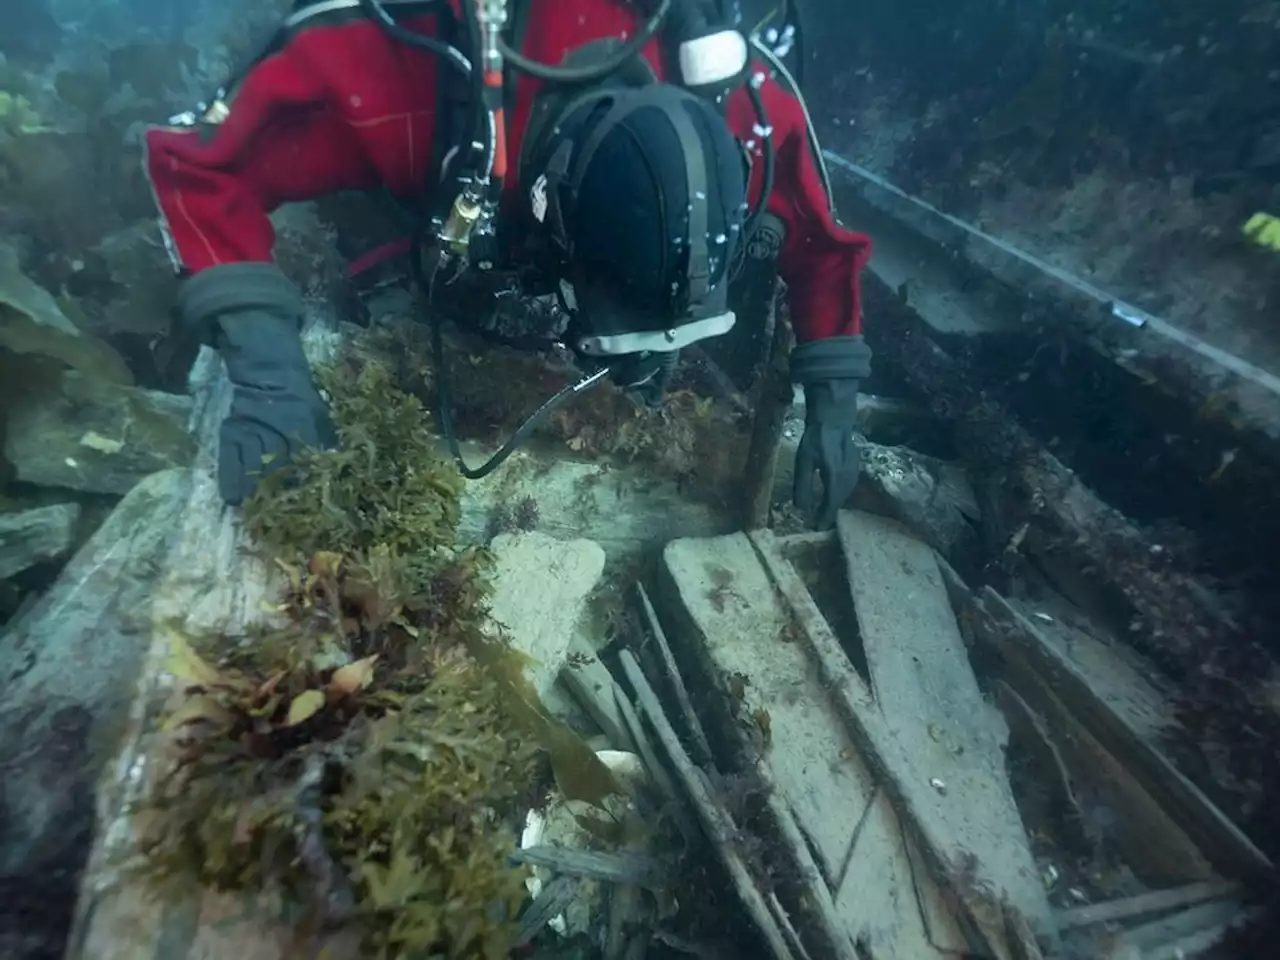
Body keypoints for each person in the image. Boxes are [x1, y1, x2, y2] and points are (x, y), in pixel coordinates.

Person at [143, 0, 873, 528]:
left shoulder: (743, 105)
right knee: (372, 227)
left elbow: (821, 245)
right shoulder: (398, 83)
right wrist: (269, 374)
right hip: (435, 162)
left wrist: (832, 408)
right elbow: (202, 170)